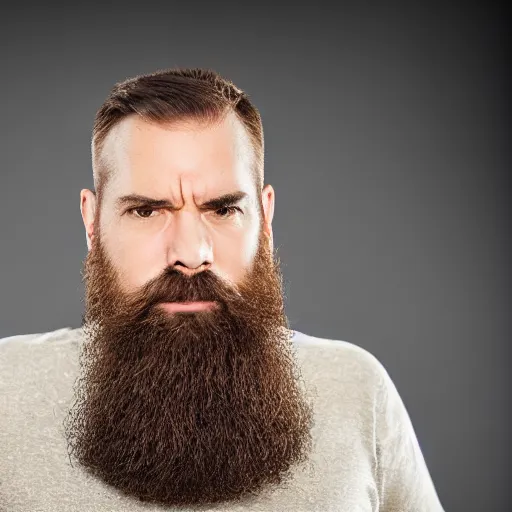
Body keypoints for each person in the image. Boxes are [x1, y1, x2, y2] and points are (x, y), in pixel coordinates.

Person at [0, 68, 445, 511]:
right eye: (146, 211)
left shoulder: (358, 390)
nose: (191, 254)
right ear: (92, 223)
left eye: (224, 209)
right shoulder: (6, 393)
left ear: (265, 219)